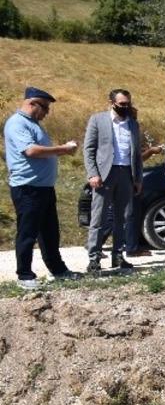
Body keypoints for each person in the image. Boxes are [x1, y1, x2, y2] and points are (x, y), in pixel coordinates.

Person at [4, 87, 81, 289]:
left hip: (44, 187)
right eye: (45, 108)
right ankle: (25, 275)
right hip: (28, 188)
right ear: (32, 103)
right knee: (27, 232)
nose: (47, 113)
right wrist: (63, 149)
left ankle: (58, 270)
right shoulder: (17, 123)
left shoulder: (33, 124)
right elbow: (31, 150)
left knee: (49, 232)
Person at [83, 89, 144, 276]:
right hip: (104, 175)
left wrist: (138, 178)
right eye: (122, 104)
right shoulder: (98, 120)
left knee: (123, 218)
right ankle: (94, 258)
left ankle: (118, 255)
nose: (125, 107)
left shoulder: (133, 124)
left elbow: (137, 154)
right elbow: (88, 149)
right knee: (98, 218)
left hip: (126, 173)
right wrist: (92, 173)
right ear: (112, 102)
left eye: (128, 103)